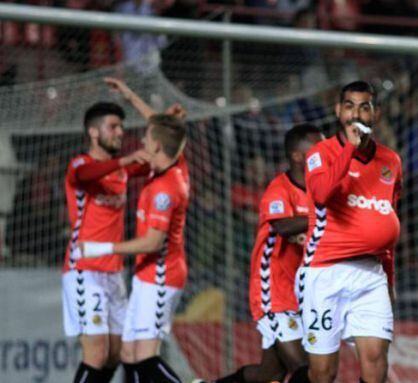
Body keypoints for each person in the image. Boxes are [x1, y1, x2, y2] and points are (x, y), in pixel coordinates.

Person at [292, 81, 401, 383]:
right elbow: (321, 194)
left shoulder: (391, 161)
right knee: (324, 372)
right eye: (349, 106)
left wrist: (390, 280)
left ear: (375, 113)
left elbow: (387, 222)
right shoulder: (321, 153)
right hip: (326, 272)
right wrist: (350, 150)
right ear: (338, 111)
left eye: (364, 106)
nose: (356, 113)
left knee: (376, 362)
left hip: (370, 273)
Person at [201, 124, 323, 383]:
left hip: (303, 292)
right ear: (297, 156)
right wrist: (319, 217)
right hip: (272, 289)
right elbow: (282, 226)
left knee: (269, 375)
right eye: (317, 148)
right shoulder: (279, 189)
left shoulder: (319, 192)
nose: (323, 153)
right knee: (307, 370)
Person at [76, 114, 190, 383]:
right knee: (128, 353)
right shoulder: (172, 167)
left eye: (146, 138)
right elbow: (170, 132)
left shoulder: (166, 188)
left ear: (157, 147)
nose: (141, 141)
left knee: (145, 356)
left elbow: (152, 242)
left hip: (161, 276)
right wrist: (131, 96)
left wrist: (100, 248)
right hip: (145, 274)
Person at [62, 102, 151, 383]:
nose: (120, 132)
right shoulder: (81, 165)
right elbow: (85, 176)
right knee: (97, 353)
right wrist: (127, 160)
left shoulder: (120, 171)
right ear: (93, 131)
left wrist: (164, 125)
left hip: (113, 272)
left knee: (118, 353)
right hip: (83, 269)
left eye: (121, 127)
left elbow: (157, 161)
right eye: (113, 126)